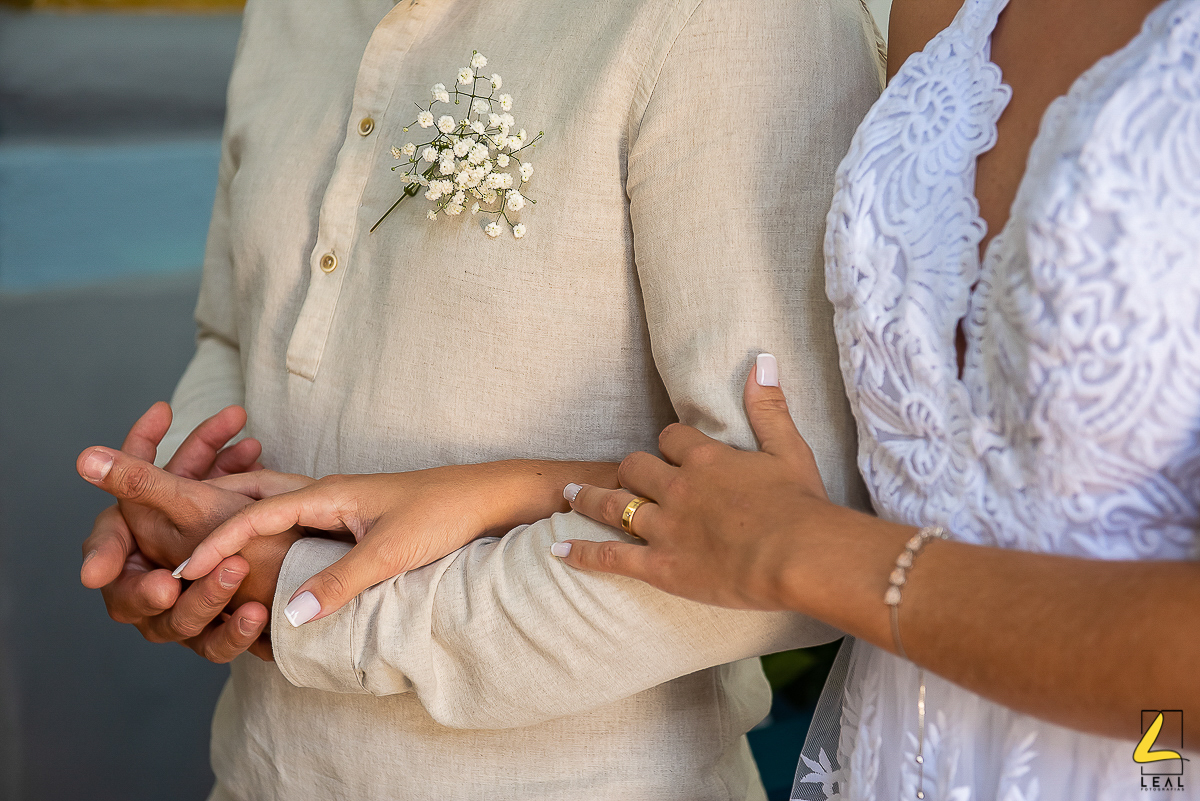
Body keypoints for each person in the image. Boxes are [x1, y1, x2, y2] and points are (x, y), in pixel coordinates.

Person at [76, 0, 885, 798]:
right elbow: (232, 333)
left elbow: (793, 543)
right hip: (260, 770)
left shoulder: (736, 18)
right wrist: (183, 525)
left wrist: (312, 595)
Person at [542, 0, 1200, 798]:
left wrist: (814, 556)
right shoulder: (938, 13)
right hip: (896, 753)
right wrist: (511, 488)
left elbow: (805, 535)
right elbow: (864, 469)